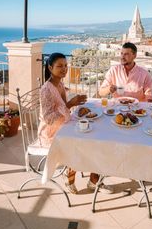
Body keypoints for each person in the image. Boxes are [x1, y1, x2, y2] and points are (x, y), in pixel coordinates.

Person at [38, 52, 113, 194]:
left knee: (93, 136)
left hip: (64, 125)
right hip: (51, 133)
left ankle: (93, 179)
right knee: (86, 142)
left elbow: (61, 106)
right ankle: (74, 177)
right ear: (49, 67)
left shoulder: (59, 84)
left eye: (66, 65)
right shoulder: (46, 89)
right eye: (59, 66)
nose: (64, 69)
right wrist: (69, 105)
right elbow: (49, 119)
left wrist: (73, 104)